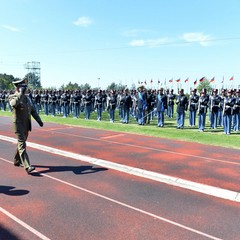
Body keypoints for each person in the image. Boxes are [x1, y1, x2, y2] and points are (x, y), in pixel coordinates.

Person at [9, 78, 44, 174]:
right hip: (18, 124)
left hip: (26, 125)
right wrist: (20, 94)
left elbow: (32, 110)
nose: (26, 89)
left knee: (21, 143)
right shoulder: (13, 96)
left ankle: (17, 160)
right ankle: (27, 166)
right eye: (23, 87)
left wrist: (39, 121)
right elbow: (13, 104)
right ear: (18, 88)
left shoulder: (27, 98)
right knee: (22, 144)